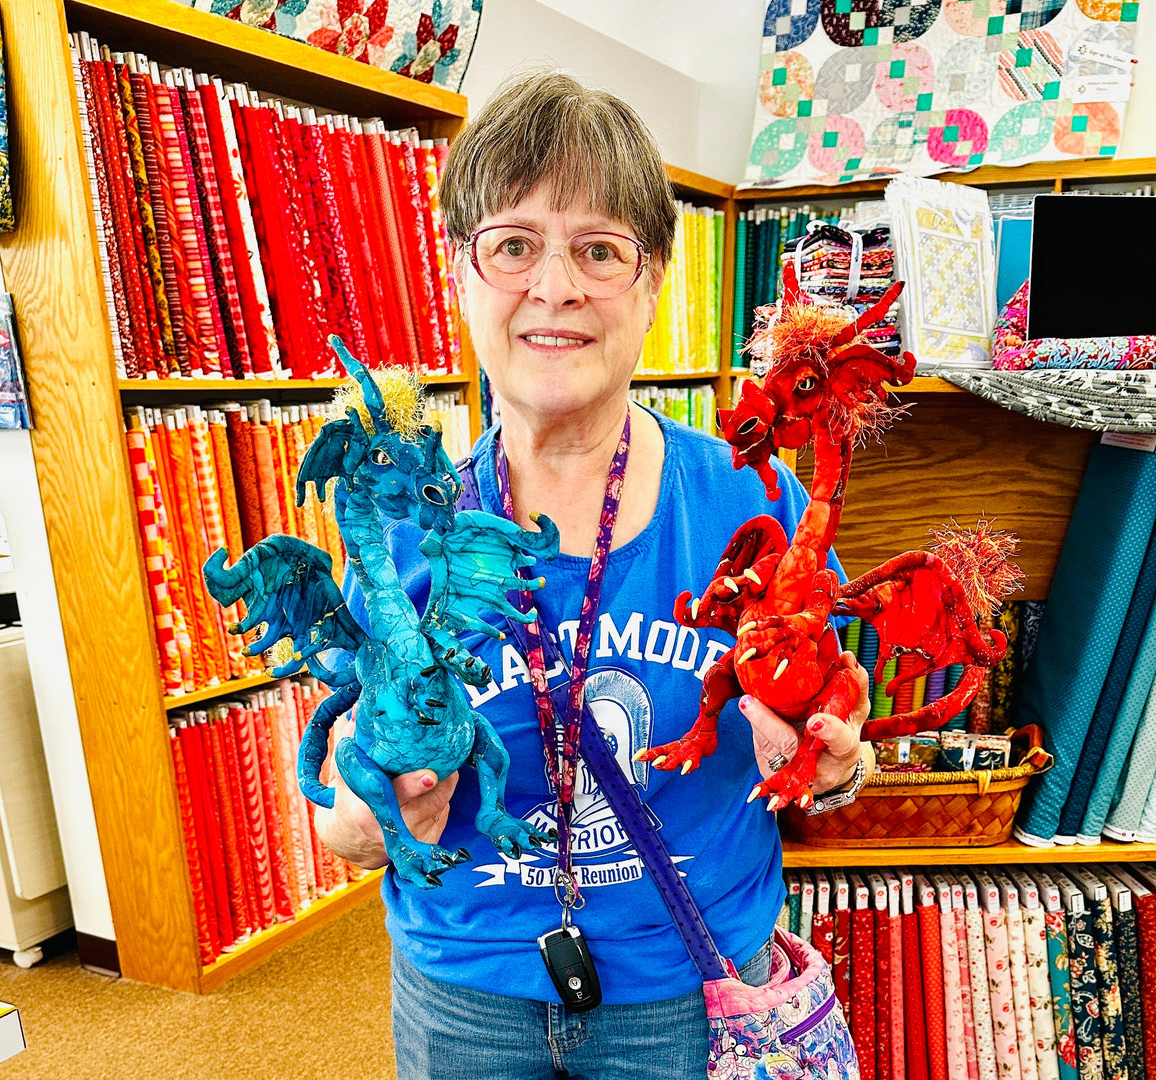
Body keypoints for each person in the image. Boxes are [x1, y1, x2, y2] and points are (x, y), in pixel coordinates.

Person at [313, 69, 875, 1079]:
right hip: (466, 992)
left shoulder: (757, 502)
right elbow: (338, 792)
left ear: (654, 281)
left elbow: (835, 733)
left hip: (691, 990)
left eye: (600, 251)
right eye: (514, 245)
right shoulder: (401, 523)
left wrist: (837, 759)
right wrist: (364, 818)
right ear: (461, 272)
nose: (555, 286)